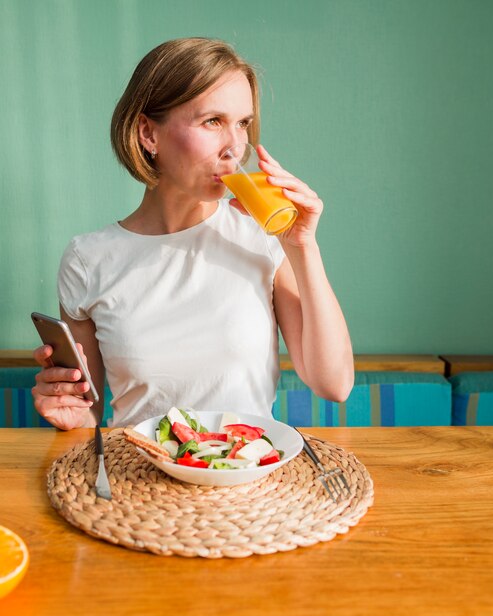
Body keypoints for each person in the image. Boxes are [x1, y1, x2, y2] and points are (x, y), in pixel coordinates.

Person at [32, 37, 353, 429]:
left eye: (243, 124)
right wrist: (70, 414)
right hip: (138, 480)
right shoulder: (88, 259)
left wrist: (303, 246)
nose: (236, 147)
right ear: (148, 134)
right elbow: (90, 420)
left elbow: (334, 384)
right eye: (213, 121)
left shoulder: (264, 238)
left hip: (242, 477)